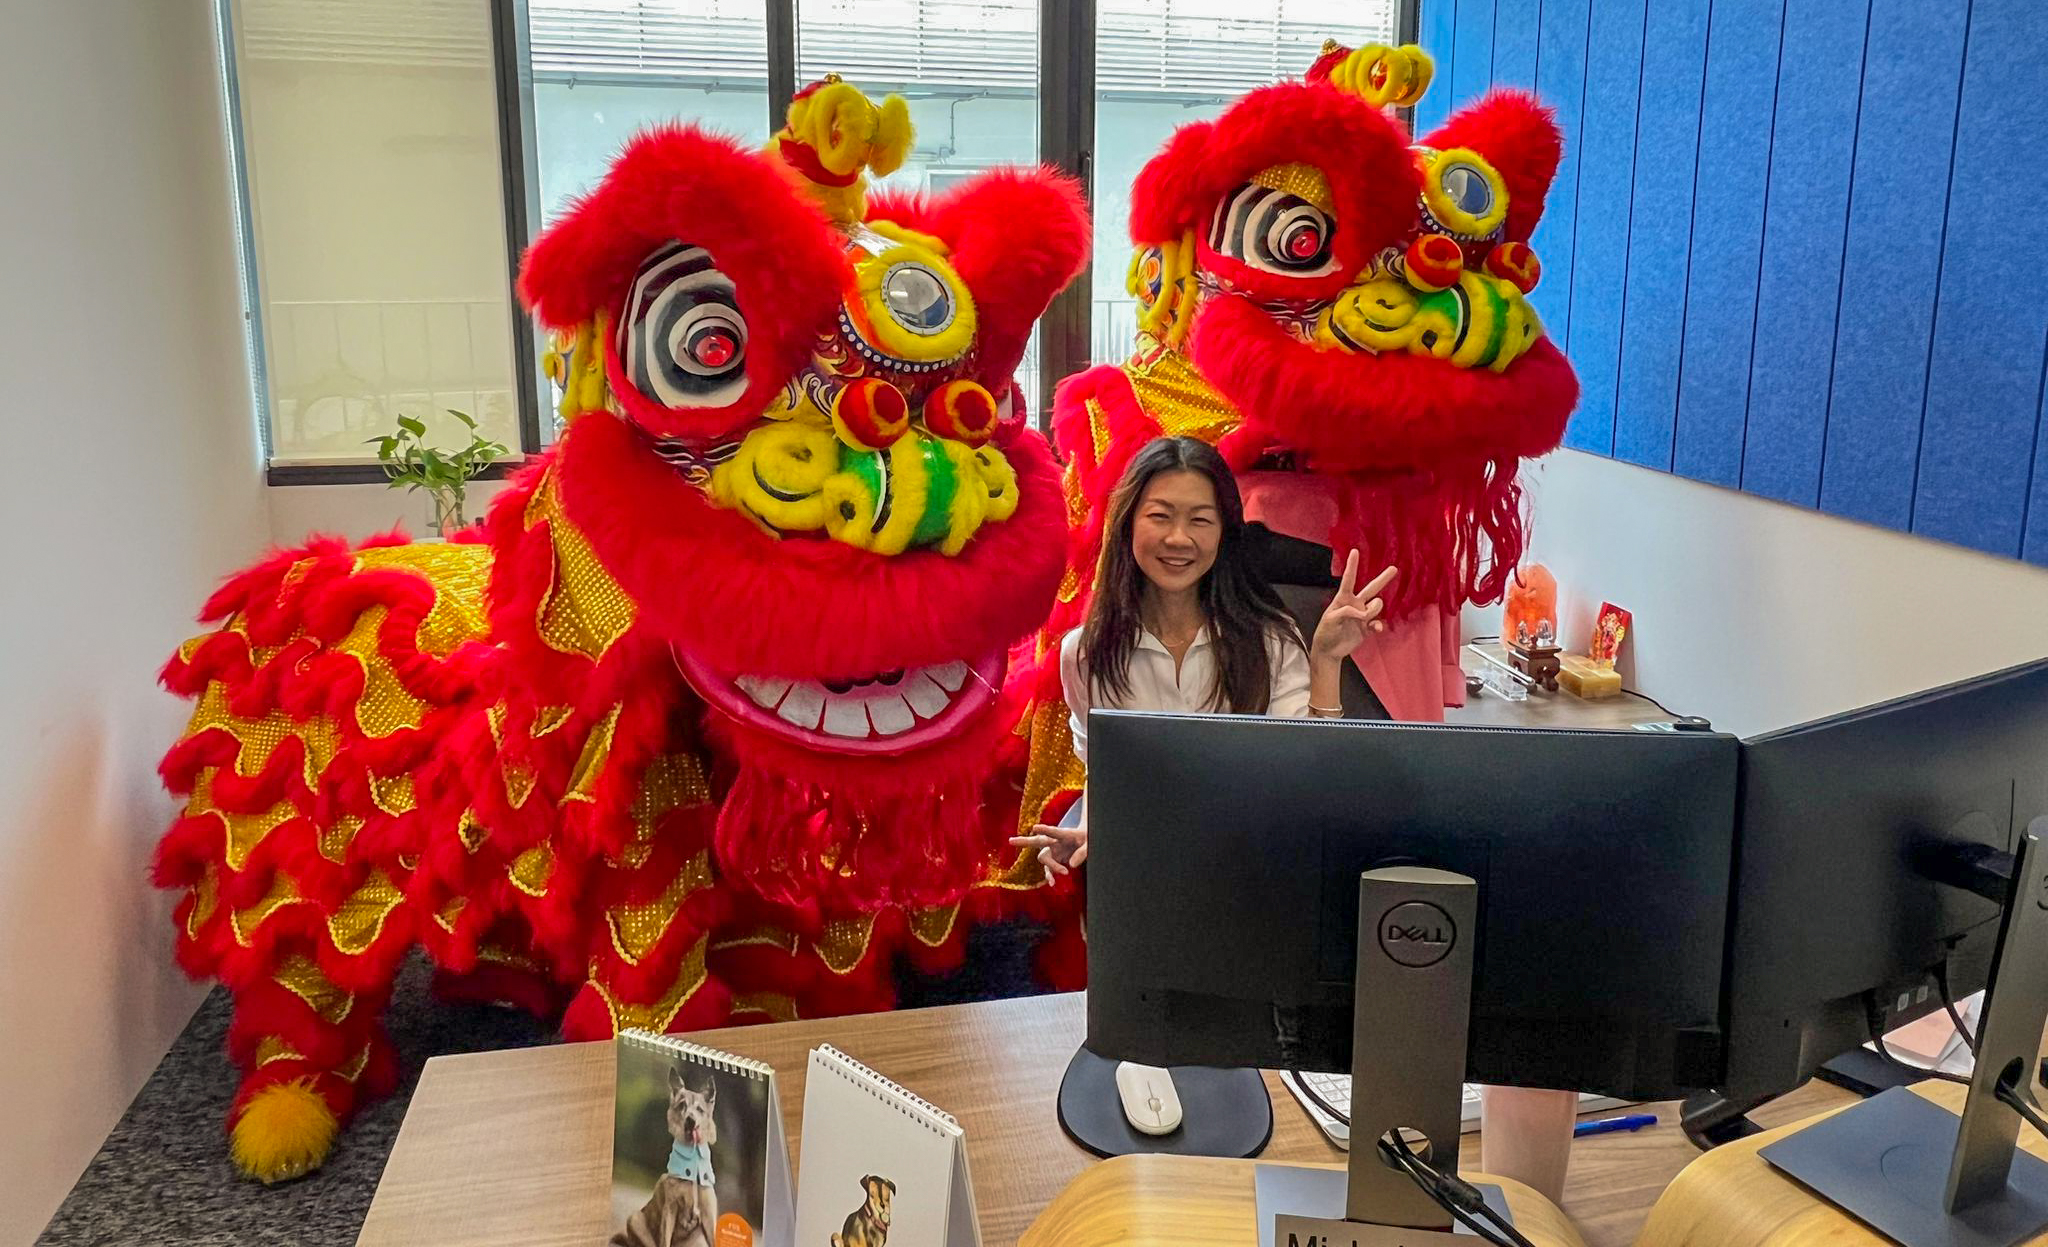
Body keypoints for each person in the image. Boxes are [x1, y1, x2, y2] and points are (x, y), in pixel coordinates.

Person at [1010, 435, 1395, 875]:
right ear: (1128, 523)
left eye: (1200, 520)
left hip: (1254, 864)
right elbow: (1108, 773)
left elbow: (1309, 770)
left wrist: (1326, 660)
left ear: (1224, 533)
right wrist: (1094, 829)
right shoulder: (1086, 652)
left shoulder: (1269, 638)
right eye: (1160, 516)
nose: (1178, 538)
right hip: (1144, 870)